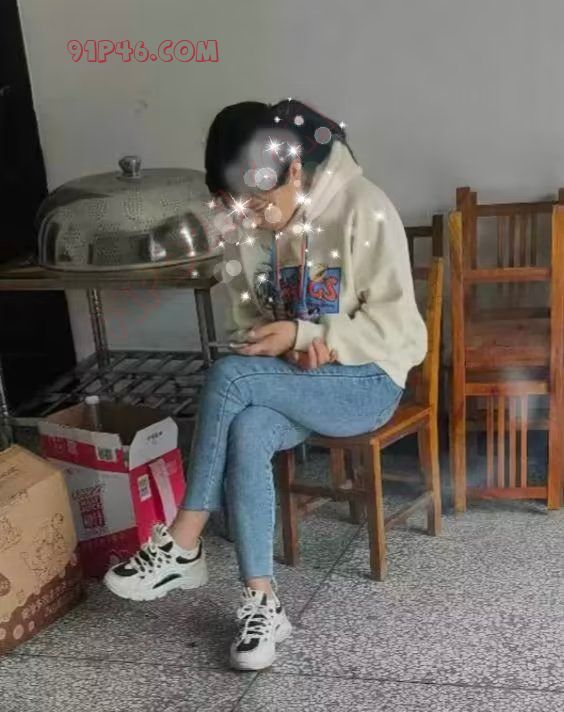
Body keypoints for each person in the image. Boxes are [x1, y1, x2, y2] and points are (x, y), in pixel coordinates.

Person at [104, 99, 427, 671]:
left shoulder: (364, 206)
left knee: (228, 377)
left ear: (294, 170)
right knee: (249, 426)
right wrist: (277, 342)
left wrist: (308, 333)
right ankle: (262, 602)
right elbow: (242, 321)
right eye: (236, 207)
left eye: (259, 202)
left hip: (368, 382)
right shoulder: (244, 224)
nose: (250, 218)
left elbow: (403, 334)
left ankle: (184, 539)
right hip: (293, 379)